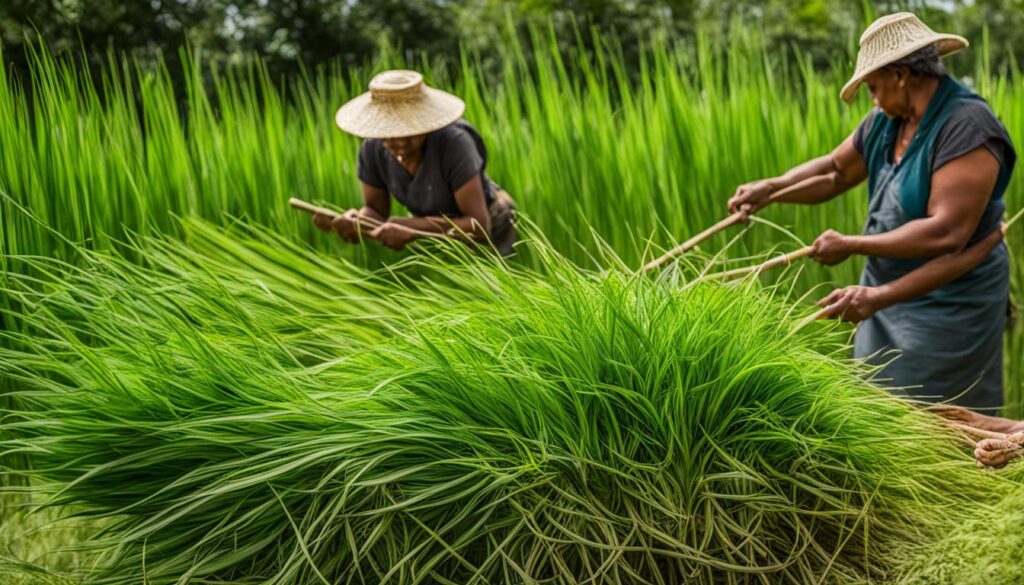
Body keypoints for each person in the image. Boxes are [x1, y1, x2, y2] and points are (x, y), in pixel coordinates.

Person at [728, 13, 1016, 409]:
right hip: (880, 295)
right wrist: (772, 189)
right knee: (876, 409)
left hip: (950, 301)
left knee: (943, 422)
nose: (873, 99)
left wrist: (852, 243)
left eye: (873, 87)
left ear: (900, 74)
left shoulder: (966, 125)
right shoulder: (886, 121)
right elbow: (833, 170)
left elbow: (947, 233)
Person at [313, 69, 518, 256]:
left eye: (409, 130)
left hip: (492, 225)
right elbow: (375, 211)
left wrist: (411, 227)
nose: (400, 140)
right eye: (390, 132)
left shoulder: (454, 144)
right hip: (432, 230)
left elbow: (477, 224)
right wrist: (356, 222)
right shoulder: (372, 150)